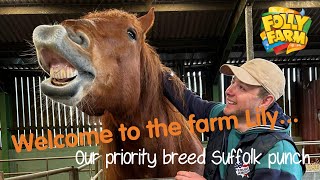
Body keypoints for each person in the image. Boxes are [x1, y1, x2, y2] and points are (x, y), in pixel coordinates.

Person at [163, 58, 305, 180]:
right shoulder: (223, 119)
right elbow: (188, 101)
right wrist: (156, 68)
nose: (229, 91)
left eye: (242, 88)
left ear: (265, 101)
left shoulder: (279, 153)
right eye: (232, 82)